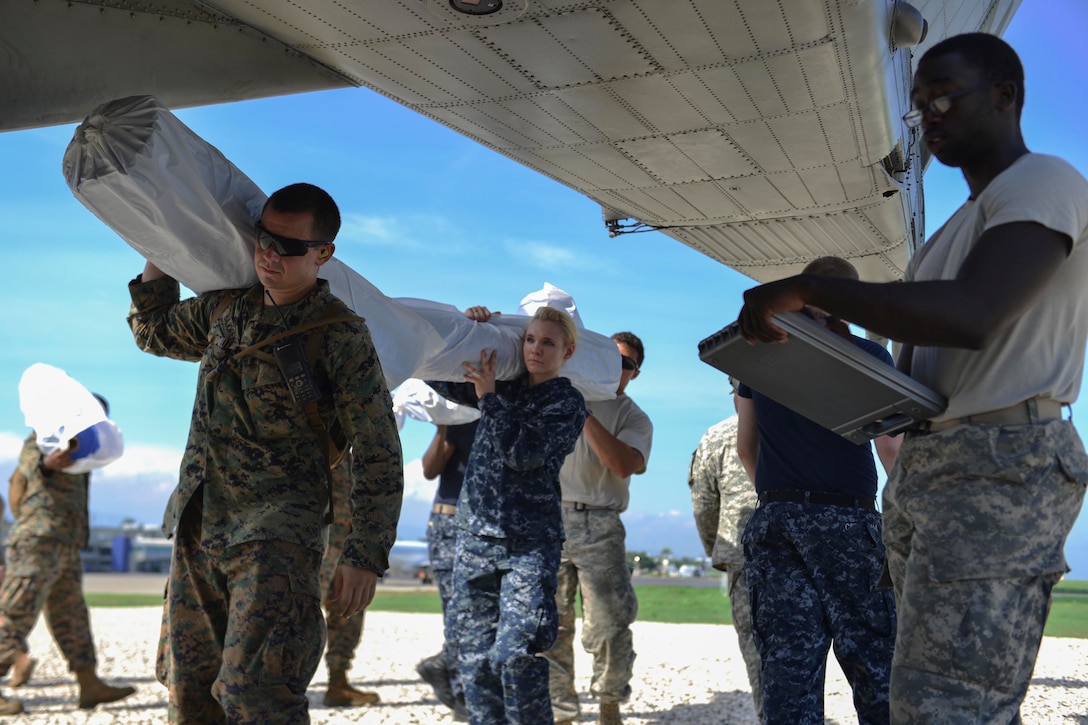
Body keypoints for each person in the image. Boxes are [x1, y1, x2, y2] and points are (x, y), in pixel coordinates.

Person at [737, 32, 1088, 723]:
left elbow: (974, 313)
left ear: (1005, 96)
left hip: (997, 464)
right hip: (936, 467)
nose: (929, 115)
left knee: (948, 705)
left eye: (943, 97)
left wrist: (812, 289)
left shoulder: (1044, 181)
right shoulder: (957, 227)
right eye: (918, 105)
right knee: (924, 696)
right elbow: (934, 361)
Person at [128, 182, 404, 724]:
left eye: (289, 247)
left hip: (276, 538)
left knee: (259, 696)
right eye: (263, 239)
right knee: (189, 690)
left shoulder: (340, 336)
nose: (269, 255)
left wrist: (363, 554)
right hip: (200, 524)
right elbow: (153, 331)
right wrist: (159, 240)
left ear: (323, 254)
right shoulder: (226, 312)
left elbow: (378, 450)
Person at [736, 256, 900, 724]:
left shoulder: (759, 355)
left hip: (776, 520)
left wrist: (786, 498)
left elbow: (747, 447)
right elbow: (889, 448)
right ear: (845, 303)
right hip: (847, 522)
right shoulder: (868, 357)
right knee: (874, 665)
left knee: (788, 672)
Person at [428, 305, 587, 725]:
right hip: (476, 539)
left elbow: (522, 453)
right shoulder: (504, 387)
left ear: (567, 351)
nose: (535, 349)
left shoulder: (567, 403)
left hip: (528, 547)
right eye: (530, 340)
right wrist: (471, 327)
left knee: (515, 655)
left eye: (547, 342)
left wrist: (489, 398)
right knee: (475, 658)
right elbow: (437, 373)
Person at [0, 398, 136, 715]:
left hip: (66, 541)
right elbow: (32, 462)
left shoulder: (85, 449)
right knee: (15, 613)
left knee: (72, 616)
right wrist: (47, 464)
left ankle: (89, 684)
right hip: (39, 539)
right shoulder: (45, 437)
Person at [543, 332, 653, 725]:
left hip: (599, 523)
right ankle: (561, 712)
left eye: (624, 362)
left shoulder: (633, 416)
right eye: (607, 356)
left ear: (634, 373)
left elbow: (622, 464)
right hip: (550, 519)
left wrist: (584, 414)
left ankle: (608, 703)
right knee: (549, 624)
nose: (614, 366)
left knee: (608, 623)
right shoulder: (559, 394)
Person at [688, 385, 762, 721]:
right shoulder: (805, 422)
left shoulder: (718, 436)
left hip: (743, 552)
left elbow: (703, 502)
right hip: (807, 546)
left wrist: (716, 550)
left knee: (758, 651)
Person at [415, 419, 479, 720]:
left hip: (488, 522)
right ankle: (463, 694)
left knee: (480, 613)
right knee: (458, 612)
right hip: (451, 522)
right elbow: (429, 470)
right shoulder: (458, 412)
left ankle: (445, 665)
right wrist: (444, 427)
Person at [317, 453, 379, 708]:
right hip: (307, 546)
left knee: (347, 615)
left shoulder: (350, 457)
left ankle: (338, 683)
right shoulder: (299, 437)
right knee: (289, 618)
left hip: (344, 548)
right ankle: (272, 688)